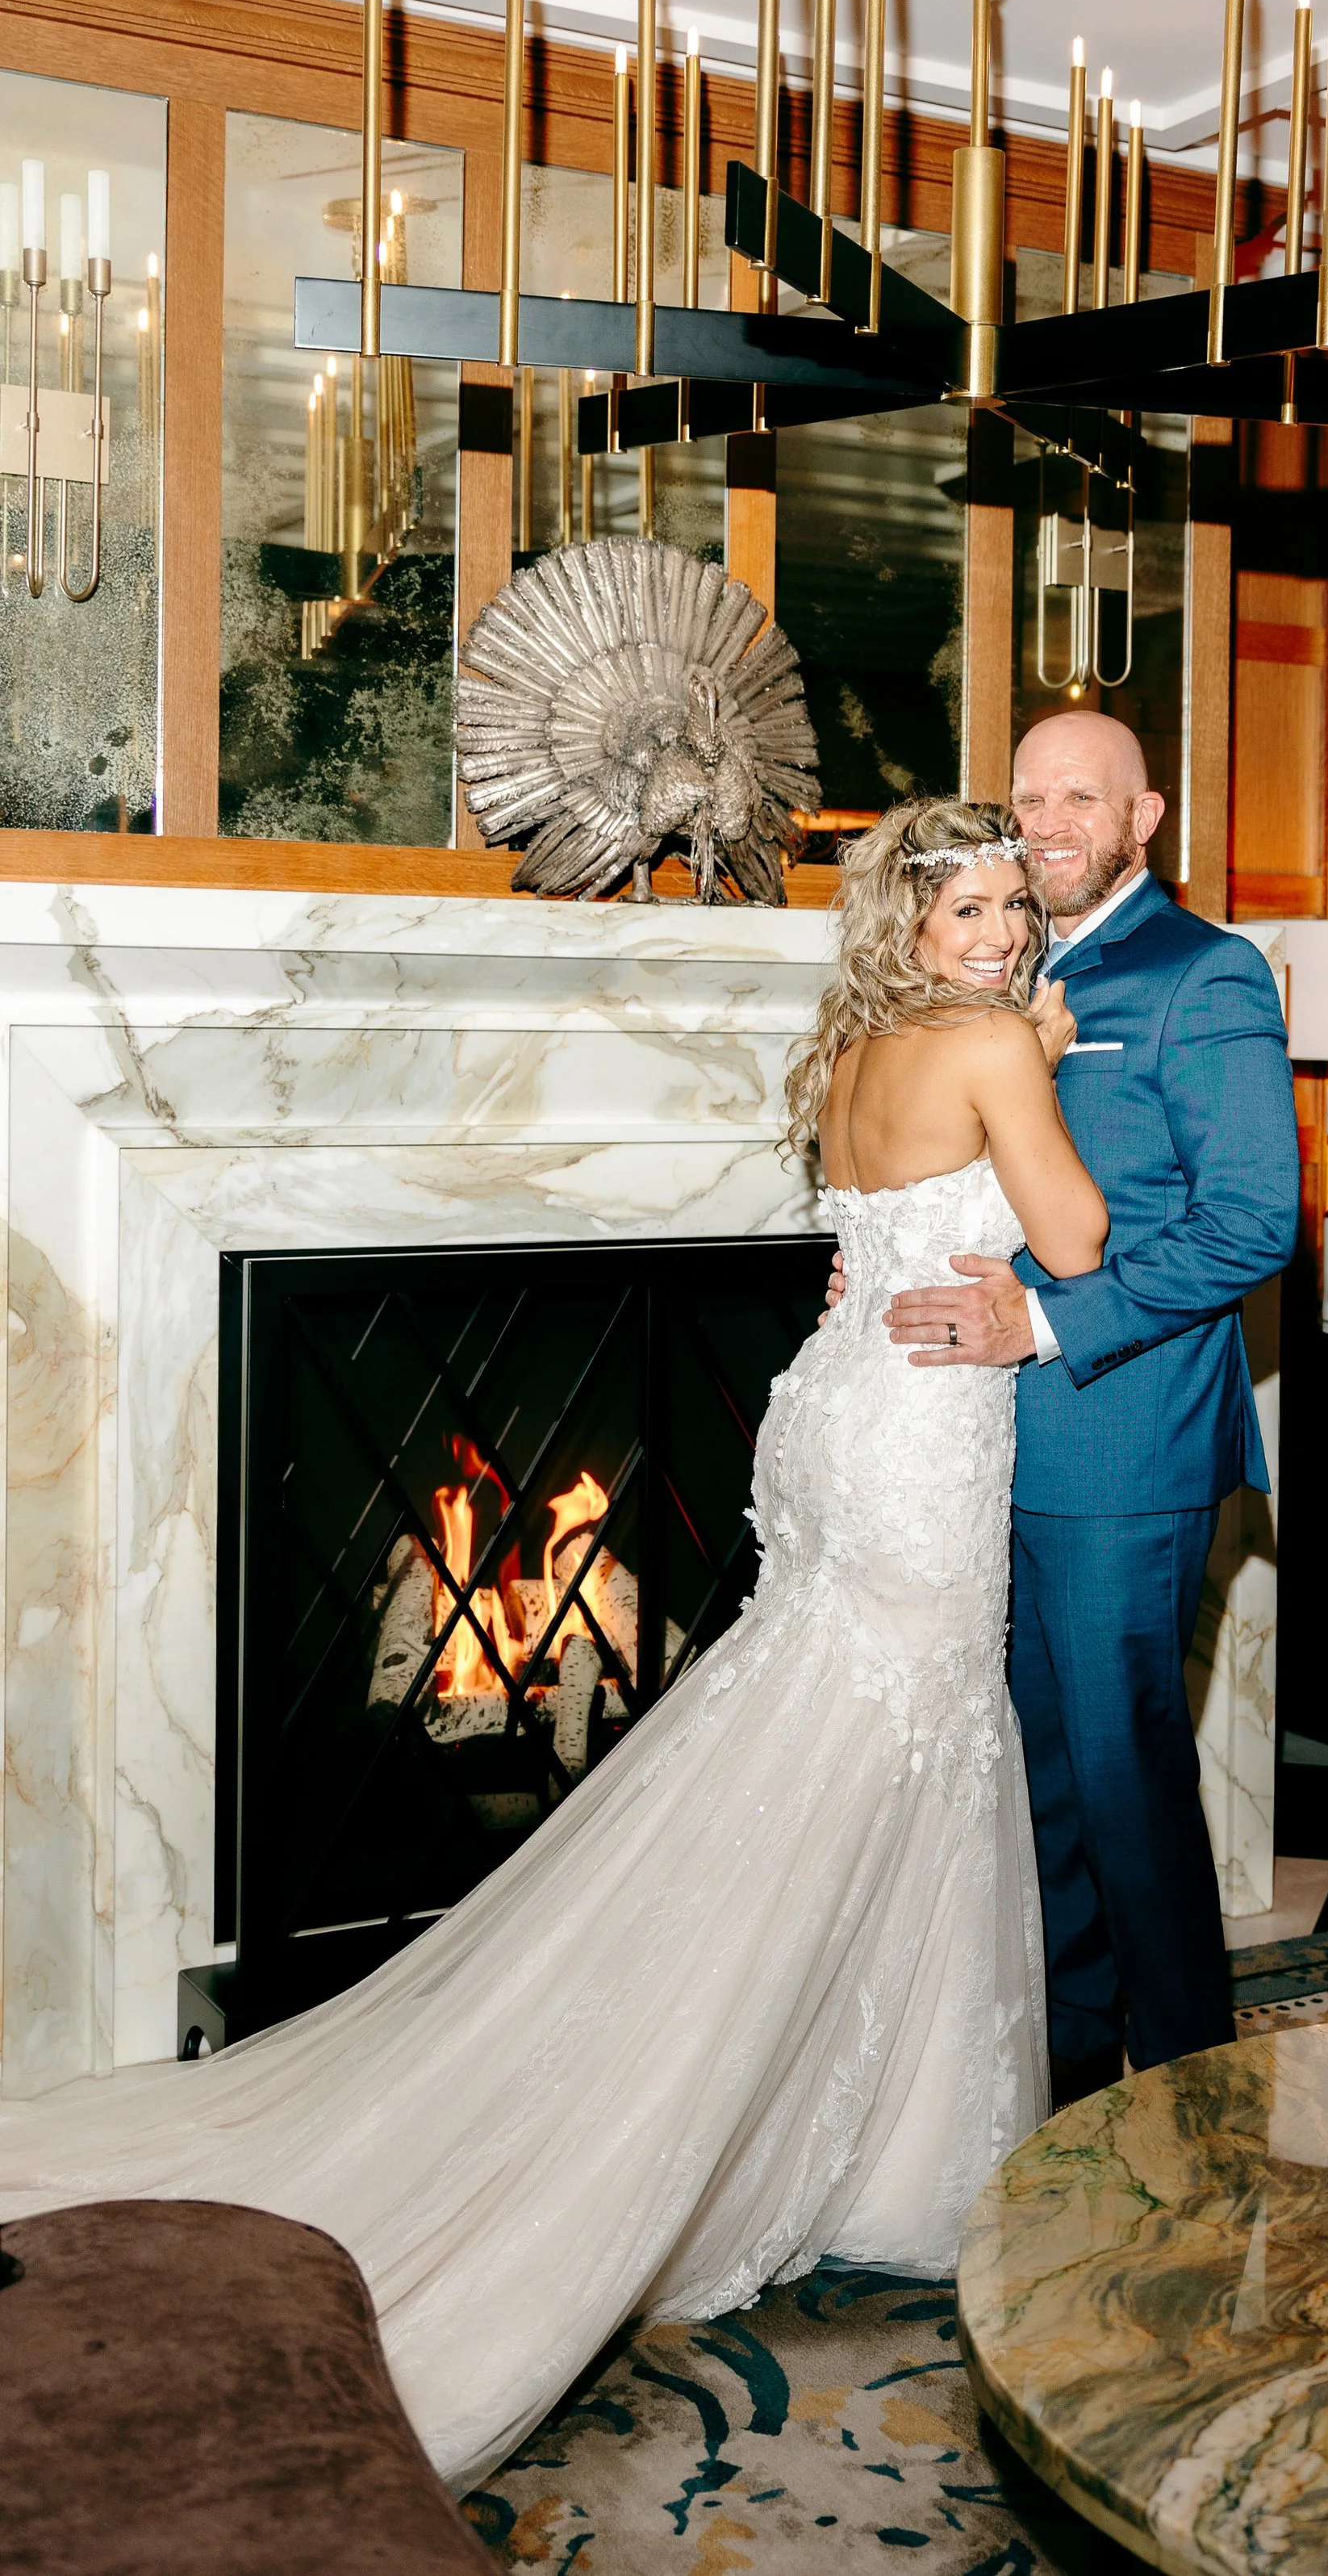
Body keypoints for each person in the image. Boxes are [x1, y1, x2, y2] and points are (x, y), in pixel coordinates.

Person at [0, 797, 1104, 2495]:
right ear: (911, 914)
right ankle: (828, 2146)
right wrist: (1037, 1052)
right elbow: (1079, 1239)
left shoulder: (858, 1041)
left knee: (836, 1751)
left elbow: (861, 1237)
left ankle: (869, 2145)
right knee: (895, 1753)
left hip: (832, 1416)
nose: (1003, 936)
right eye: (969, 909)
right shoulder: (983, 1039)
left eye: (1014, 912)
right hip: (919, 1435)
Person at [879, 713, 1301, 2101]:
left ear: (1146, 815)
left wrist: (1046, 1318)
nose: (1047, 822)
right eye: (1027, 799)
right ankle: (1066, 2089)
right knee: (1038, 1795)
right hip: (981, 1452)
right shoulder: (996, 962)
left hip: (1122, 1447)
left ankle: (1193, 2094)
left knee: (1127, 1789)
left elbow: (1253, 1226)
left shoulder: (1205, 975)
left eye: (1081, 798)